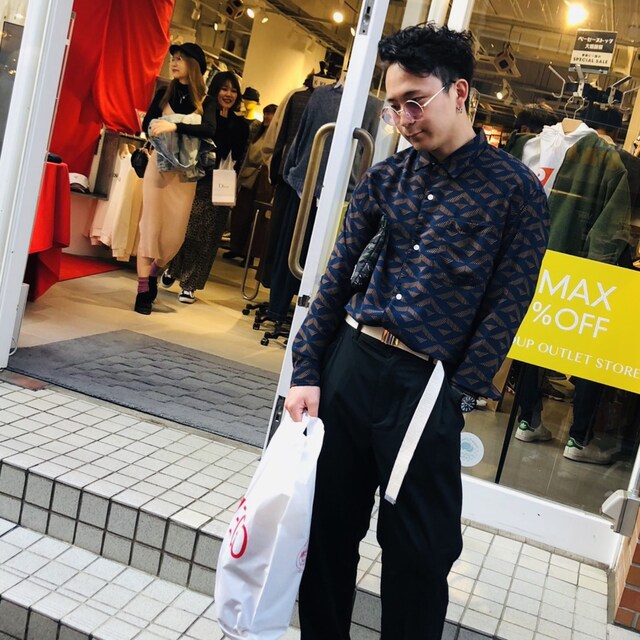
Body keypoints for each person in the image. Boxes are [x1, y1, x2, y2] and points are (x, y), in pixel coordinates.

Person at [284, 24, 550, 639]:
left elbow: (506, 306)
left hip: (427, 386)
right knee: (325, 533)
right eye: (394, 105)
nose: (403, 119)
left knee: (421, 555)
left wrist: (457, 396)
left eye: (415, 102)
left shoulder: (515, 194)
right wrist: (306, 370)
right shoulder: (386, 178)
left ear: (459, 92)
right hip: (352, 363)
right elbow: (335, 279)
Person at [134, 43, 216, 315]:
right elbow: (146, 125)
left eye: (180, 59)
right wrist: (159, 126)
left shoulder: (206, 101)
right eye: (174, 58)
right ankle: (143, 290)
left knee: (174, 235)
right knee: (150, 227)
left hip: (185, 176)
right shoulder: (163, 94)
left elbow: (210, 129)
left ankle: (154, 273)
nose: (174, 63)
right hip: (158, 169)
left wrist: (175, 125)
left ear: (194, 65)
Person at [162, 71, 250, 303]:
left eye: (233, 90)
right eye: (224, 89)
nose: (229, 94)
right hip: (197, 177)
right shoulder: (203, 116)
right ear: (215, 90)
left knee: (209, 238)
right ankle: (173, 267)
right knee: (187, 228)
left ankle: (190, 285)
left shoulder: (242, 125)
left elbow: (240, 156)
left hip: (223, 182)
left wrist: (235, 186)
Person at [223, 103, 277, 264]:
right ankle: (236, 247)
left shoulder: (276, 136)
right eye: (266, 113)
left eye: (270, 114)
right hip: (249, 177)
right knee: (241, 213)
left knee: (257, 217)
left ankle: (249, 254)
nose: (267, 117)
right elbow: (248, 157)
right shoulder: (258, 132)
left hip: (263, 178)